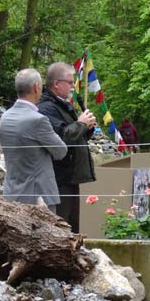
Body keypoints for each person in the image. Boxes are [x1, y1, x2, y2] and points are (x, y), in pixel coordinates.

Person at [37, 62, 97, 233]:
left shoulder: (63, 104)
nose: (73, 87)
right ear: (56, 84)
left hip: (70, 178)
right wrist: (80, 124)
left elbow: (77, 136)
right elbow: (61, 138)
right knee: (61, 228)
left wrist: (87, 127)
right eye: (70, 82)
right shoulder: (46, 108)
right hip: (59, 178)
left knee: (72, 228)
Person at [0, 69, 67, 211]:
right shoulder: (38, 120)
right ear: (36, 87)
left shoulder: (5, 117)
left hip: (11, 193)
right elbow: (61, 151)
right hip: (38, 198)